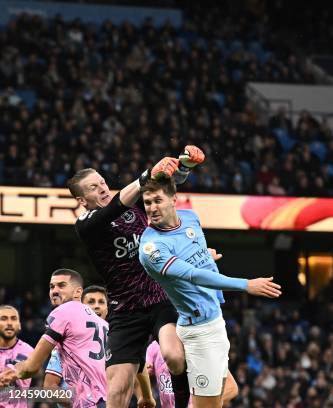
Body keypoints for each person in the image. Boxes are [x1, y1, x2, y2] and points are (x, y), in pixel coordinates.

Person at [67, 147, 203, 408]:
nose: (103, 189)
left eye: (103, 182)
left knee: (174, 357)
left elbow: (162, 186)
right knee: (117, 390)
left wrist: (184, 166)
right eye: (94, 188)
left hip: (160, 298)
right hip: (125, 310)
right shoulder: (87, 225)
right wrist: (146, 175)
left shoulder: (135, 204)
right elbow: (115, 207)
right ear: (83, 200)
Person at [138, 177, 281, 408]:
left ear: (174, 200)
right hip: (200, 333)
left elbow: (198, 258)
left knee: (225, 393)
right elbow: (194, 275)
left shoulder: (190, 218)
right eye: (147, 202)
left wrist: (207, 257)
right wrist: (246, 285)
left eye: (157, 200)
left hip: (215, 322)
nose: (152, 208)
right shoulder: (151, 247)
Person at [0, 269, 107, 407]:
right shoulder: (106, 326)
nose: (55, 290)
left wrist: (11, 373)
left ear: (78, 292)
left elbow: (31, 367)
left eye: (62, 286)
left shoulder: (64, 311)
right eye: (52, 286)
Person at [0, 305, 33, 408]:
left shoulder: (27, 351)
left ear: (19, 325)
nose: (9, 323)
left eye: (14, 319)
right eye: (4, 319)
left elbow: (11, 372)